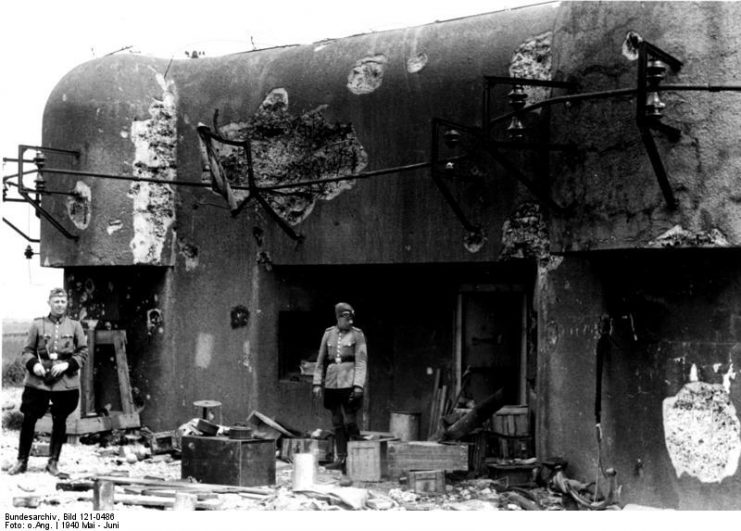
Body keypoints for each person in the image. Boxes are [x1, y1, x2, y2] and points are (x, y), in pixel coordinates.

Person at [8, 288, 88, 477]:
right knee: (29, 419)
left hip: (64, 381)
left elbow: (83, 352)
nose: (60, 305)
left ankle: (53, 462)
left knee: (60, 420)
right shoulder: (38, 325)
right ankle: (21, 461)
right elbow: (27, 351)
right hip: (39, 380)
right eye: (56, 301)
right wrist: (34, 364)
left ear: (66, 303)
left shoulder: (75, 326)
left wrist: (67, 365)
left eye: (63, 301)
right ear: (49, 303)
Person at [313, 302, 367, 472]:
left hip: (349, 382)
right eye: (345, 318)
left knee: (350, 421)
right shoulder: (328, 333)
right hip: (331, 382)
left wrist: (358, 385)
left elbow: (361, 361)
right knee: (337, 421)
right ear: (338, 318)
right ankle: (341, 459)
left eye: (351, 318)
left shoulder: (358, 335)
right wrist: (316, 383)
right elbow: (320, 360)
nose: (349, 321)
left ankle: (356, 459)